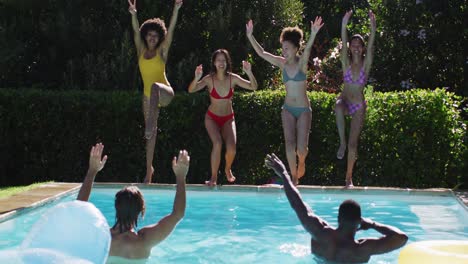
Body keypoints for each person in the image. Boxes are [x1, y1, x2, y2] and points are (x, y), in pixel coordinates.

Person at [264, 153, 408, 263]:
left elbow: (297, 204)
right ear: (359, 222)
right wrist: (372, 224)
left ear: (338, 218)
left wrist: (284, 174)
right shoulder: (362, 249)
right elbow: (401, 238)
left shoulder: (320, 233)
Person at [77, 143, 189, 260]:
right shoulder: (146, 240)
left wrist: (92, 171)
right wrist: (181, 177)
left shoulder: (103, 237)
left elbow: (78, 209)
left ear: (116, 207)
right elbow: (178, 214)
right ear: (141, 210)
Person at [246, 17, 323, 185]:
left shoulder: (302, 64)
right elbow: (262, 53)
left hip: (303, 110)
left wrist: (314, 33)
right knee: (289, 143)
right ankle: (293, 177)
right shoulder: (282, 64)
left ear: (296, 48)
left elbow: (308, 48)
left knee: (301, 149)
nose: (284, 51)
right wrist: (250, 36)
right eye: (283, 48)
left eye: (287, 48)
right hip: (288, 108)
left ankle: (301, 162)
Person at [128, 0, 182, 183]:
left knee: (154, 87)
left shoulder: (161, 51)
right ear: (146, 36)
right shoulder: (141, 50)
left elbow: (172, 31)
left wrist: (175, 9)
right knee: (150, 137)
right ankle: (148, 171)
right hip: (148, 98)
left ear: (159, 37)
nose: (152, 38)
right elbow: (136, 31)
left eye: (155, 36)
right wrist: (134, 14)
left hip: (164, 93)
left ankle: (151, 122)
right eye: (149, 35)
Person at [188, 49, 258, 186]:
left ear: (227, 63)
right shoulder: (209, 79)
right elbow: (191, 90)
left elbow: (253, 87)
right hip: (212, 118)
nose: (221, 63)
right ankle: (213, 177)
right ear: (214, 62)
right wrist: (196, 77)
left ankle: (227, 169)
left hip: (228, 118)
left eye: (224, 60)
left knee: (231, 148)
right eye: (218, 60)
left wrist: (249, 72)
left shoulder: (233, 78)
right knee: (218, 143)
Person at [335, 10, 376, 187]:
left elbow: (372, 44)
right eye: (354, 44)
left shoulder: (366, 65)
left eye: (359, 44)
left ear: (362, 47)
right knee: (337, 106)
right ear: (350, 48)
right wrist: (344, 25)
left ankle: (349, 178)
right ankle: (341, 143)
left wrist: (373, 28)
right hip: (345, 101)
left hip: (358, 106)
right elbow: (343, 43)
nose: (356, 46)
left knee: (354, 145)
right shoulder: (346, 63)